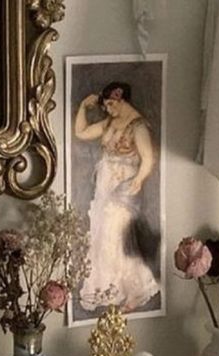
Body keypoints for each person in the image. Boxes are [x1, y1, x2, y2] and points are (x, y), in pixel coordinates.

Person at [74, 81, 161, 313]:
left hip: (123, 186)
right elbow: (81, 132)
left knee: (117, 236)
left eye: (111, 104)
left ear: (121, 99)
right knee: (102, 235)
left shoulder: (138, 126)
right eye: (106, 106)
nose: (109, 110)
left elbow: (148, 159)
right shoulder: (111, 122)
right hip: (105, 184)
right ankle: (109, 289)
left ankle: (133, 290)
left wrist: (138, 180)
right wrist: (83, 106)